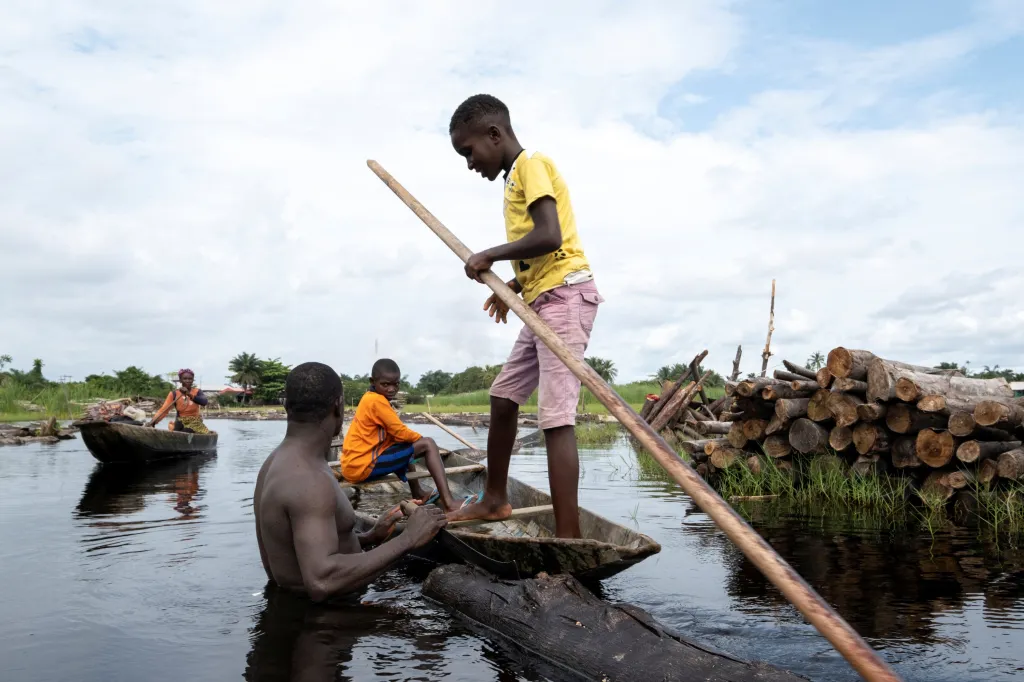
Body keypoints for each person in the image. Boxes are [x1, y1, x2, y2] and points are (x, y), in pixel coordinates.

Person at [447, 94, 603, 538]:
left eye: (469, 151)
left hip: (566, 299)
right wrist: (514, 285)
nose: (470, 163)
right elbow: (543, 251)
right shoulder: (514, 177)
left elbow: (550, 235)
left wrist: (490, 256)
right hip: (542, 299)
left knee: (555, 419)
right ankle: (495, 499)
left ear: (494, 135)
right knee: (503, 396)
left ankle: (568, 537)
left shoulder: (531, 164)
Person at [254, 361, 446, 602]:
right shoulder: (309, 479)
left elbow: (299, 551)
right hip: (324, 627)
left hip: (290, 612)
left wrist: (371, 538)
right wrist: (409, 539)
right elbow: (322, 581)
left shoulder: (275, 463)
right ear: (338, 405)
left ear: (285, 406)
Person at [341, 359, 457, 512]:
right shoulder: (377, 401)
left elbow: (398, 435)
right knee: (428, 444)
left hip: (353, 465)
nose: (391, 389)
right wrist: (422, 440)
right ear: (372, 381)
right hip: (361, 466)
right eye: (385, 384)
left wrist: (413, 442)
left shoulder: (370, 397)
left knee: (405, 445)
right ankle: (449, 503)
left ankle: (418, 492)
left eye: (395, 384)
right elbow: (399, 431)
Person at [148, 368, 211, 433]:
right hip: (180, 422)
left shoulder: (197, 391)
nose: (187, 381)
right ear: (180, 380)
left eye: (190, 379)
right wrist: (153, 422)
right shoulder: (174, 394)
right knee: (180, 427)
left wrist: (189, 394)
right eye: (185, 379)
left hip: (194, 421)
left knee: (190, 428)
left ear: (192, 380)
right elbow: (164, 410)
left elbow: (204, 402)